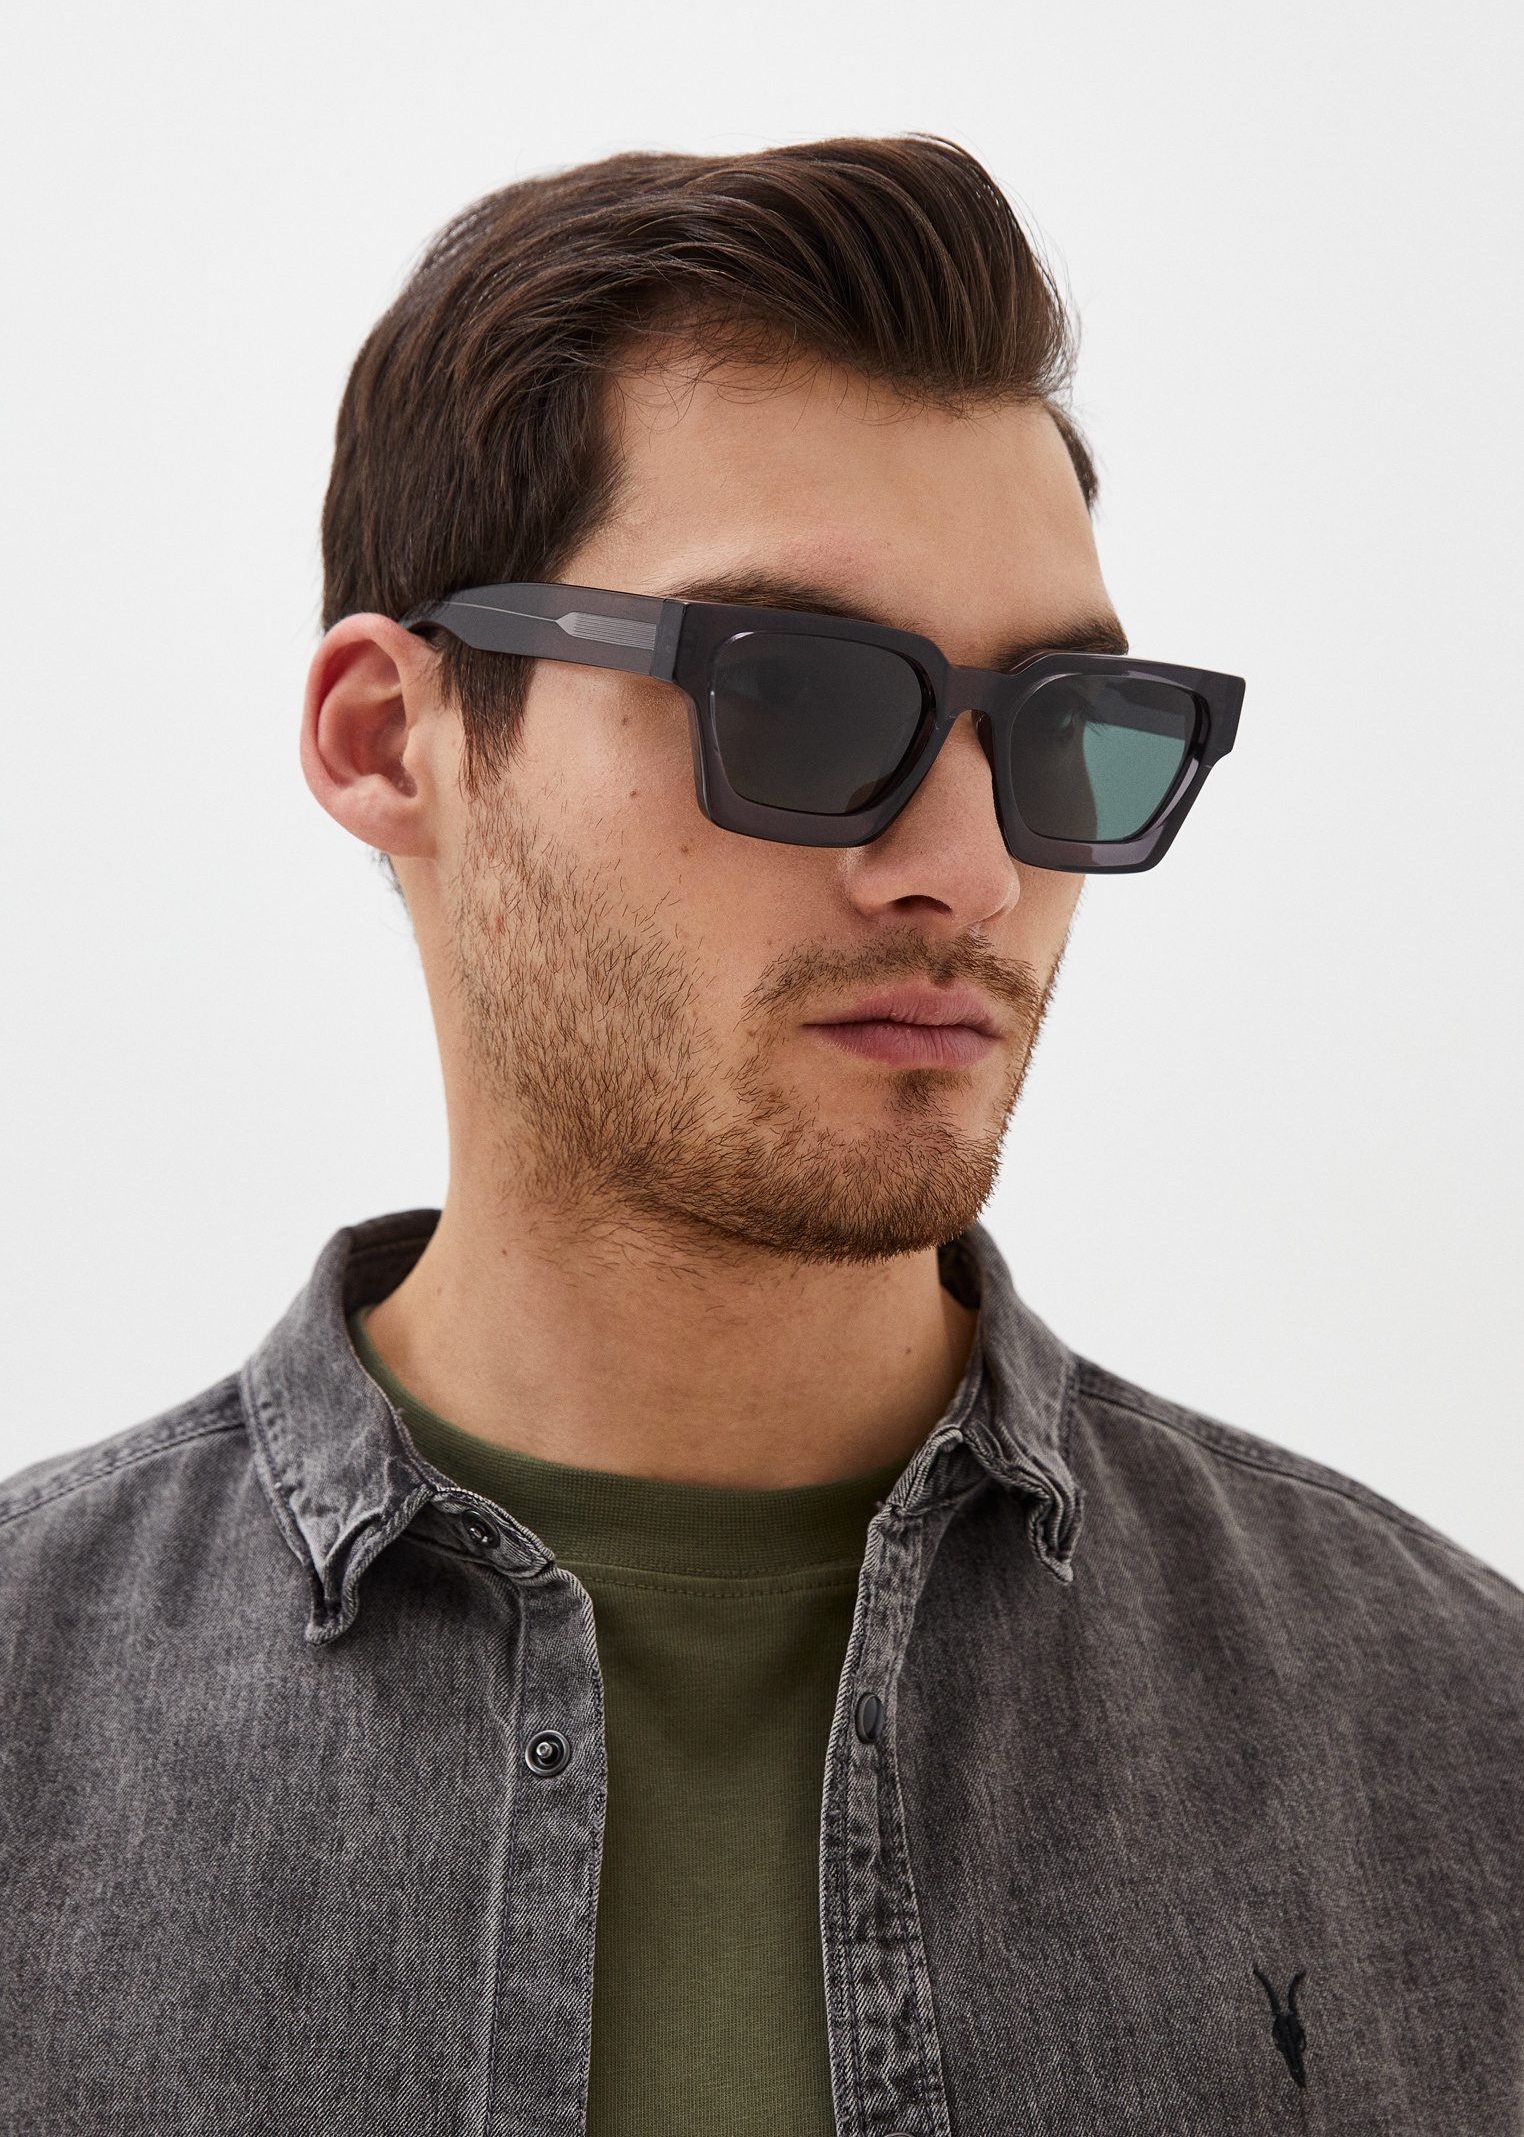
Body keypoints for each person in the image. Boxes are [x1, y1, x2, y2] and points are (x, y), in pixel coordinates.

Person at [1, 138, 1518, 2137]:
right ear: (392, 738)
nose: (972, 869)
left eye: (1062, 724)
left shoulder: (1453, 1741)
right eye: (795, 700)